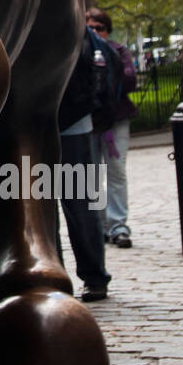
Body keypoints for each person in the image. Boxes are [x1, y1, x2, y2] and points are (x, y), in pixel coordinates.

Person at [57, 26, 111, 302]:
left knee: (79, 206)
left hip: (68, 125)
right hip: (52, 125)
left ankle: (93, 275)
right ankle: (54, 276)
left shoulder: (69, 22)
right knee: (40, 207)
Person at [86, 7, 137, 247]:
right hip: (89, 121)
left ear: (108, 31)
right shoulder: (78, 51)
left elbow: (128, 78)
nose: (95, 31)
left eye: (100, 28)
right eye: (90, 27)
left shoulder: (118, 51)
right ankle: (99, 225)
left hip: (115, 121)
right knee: (92, 175)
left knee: (116, 170)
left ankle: (118, 224)